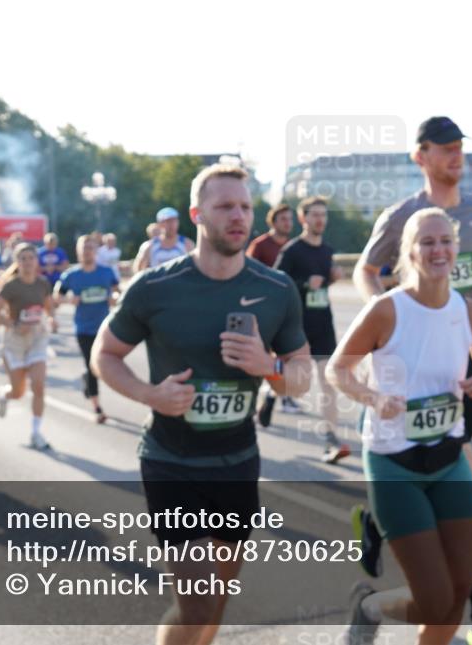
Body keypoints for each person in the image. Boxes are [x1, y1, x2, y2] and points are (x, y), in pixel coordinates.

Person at [92, 162, 312, 645]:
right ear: (197, 214)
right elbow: (103, 355)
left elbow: (301, 375)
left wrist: (268, 367)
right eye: (225, 206)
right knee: (198, 602)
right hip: (172, 462)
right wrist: (150, 395)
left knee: (216, 602)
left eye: (246, 206)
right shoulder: (153, 287)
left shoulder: (275, 290)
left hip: (237, 461)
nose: (239, 216)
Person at [350, 117, 472, 639]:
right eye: (444, 148)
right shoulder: (402, 215)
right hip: (410, 352)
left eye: (459, 148)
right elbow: (366, 269)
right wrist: (389, 321)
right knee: (451, 461)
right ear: (420, 156)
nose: (456, 155)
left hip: (467, 348)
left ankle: (395, 532)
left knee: (448, 454)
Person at [272, 196, 349, 463]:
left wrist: (331, 279)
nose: (320, 220)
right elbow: (276, 283)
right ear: (303, 218)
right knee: (293, 384)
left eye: (323, 215)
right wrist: (305, 283)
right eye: (314, 215)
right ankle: (270, 395)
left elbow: (322, 286)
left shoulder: (327, 251)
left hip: (323, 324)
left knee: (328, 382)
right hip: (298, 327)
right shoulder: (292, 251)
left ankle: (331, 440)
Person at [0, 243, 57, 450]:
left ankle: (36, 433)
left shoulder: (43, 283)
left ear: (37, 261)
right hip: (15, 340)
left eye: (31, 258)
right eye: (23, 259)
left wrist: (53, 320)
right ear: (17, 263)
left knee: (38, 385)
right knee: (18, 392)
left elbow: (49, 307)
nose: (28, 262)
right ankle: (5, 394)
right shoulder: (11, 286)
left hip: (37, 337)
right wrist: (15, 325)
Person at [56, 235, 119, 424]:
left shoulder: (106, 272)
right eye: (84, 248)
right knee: (93, 365)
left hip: (104, 327)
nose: (87, 251)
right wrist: (68, 300)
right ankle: (97, 408)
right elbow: (56, 296)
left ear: (96, 251)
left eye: (91, 248)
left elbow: (117, 290)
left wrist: (114, 297)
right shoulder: (72, 275)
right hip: (83, 327)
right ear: (78, 251)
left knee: (102, 365)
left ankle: (88, 379)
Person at [248, 203, 304, 418]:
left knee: (288, 353)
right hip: (263, 306)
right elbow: (248, 273)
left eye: (290, 219)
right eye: (283, 219)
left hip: (289, 307)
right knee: (265, 355)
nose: (288, 223)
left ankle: (279, 395)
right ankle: (266, 394)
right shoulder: (260, 245)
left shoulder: (293, 246)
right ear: (274, 222)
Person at [133, 207, 195, 272]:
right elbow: (138, 270)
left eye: (174, 220)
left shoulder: (188, 244)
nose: (172, 224)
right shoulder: (148, 246)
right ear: (160, 224)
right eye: (168, 221)